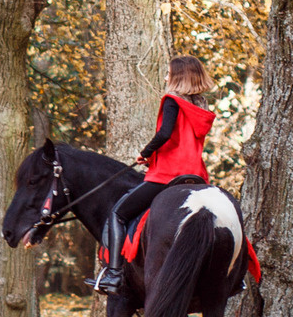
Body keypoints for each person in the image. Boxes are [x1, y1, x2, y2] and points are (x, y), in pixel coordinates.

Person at [90, 55, 216, 294]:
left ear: (179, 77)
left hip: (168, 175)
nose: (166, 77)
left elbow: (165, 134)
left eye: (169, 73)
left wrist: (146, 153)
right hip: (196, 176)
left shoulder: (172, 101)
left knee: (117, 213)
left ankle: (114, 275)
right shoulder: (201, 106)